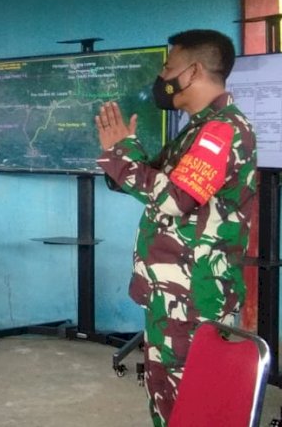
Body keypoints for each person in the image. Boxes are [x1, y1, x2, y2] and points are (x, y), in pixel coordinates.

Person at [94, 29, 258, 427]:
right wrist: (123, 155)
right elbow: (155, 180)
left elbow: (174, 198)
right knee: (166, 397)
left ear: (194, 71)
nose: (162, 75)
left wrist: (122, 154)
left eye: (168, 65)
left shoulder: (222, 131)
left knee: (191, 404)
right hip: (173, 295)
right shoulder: (198, 128)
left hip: (193, 297)